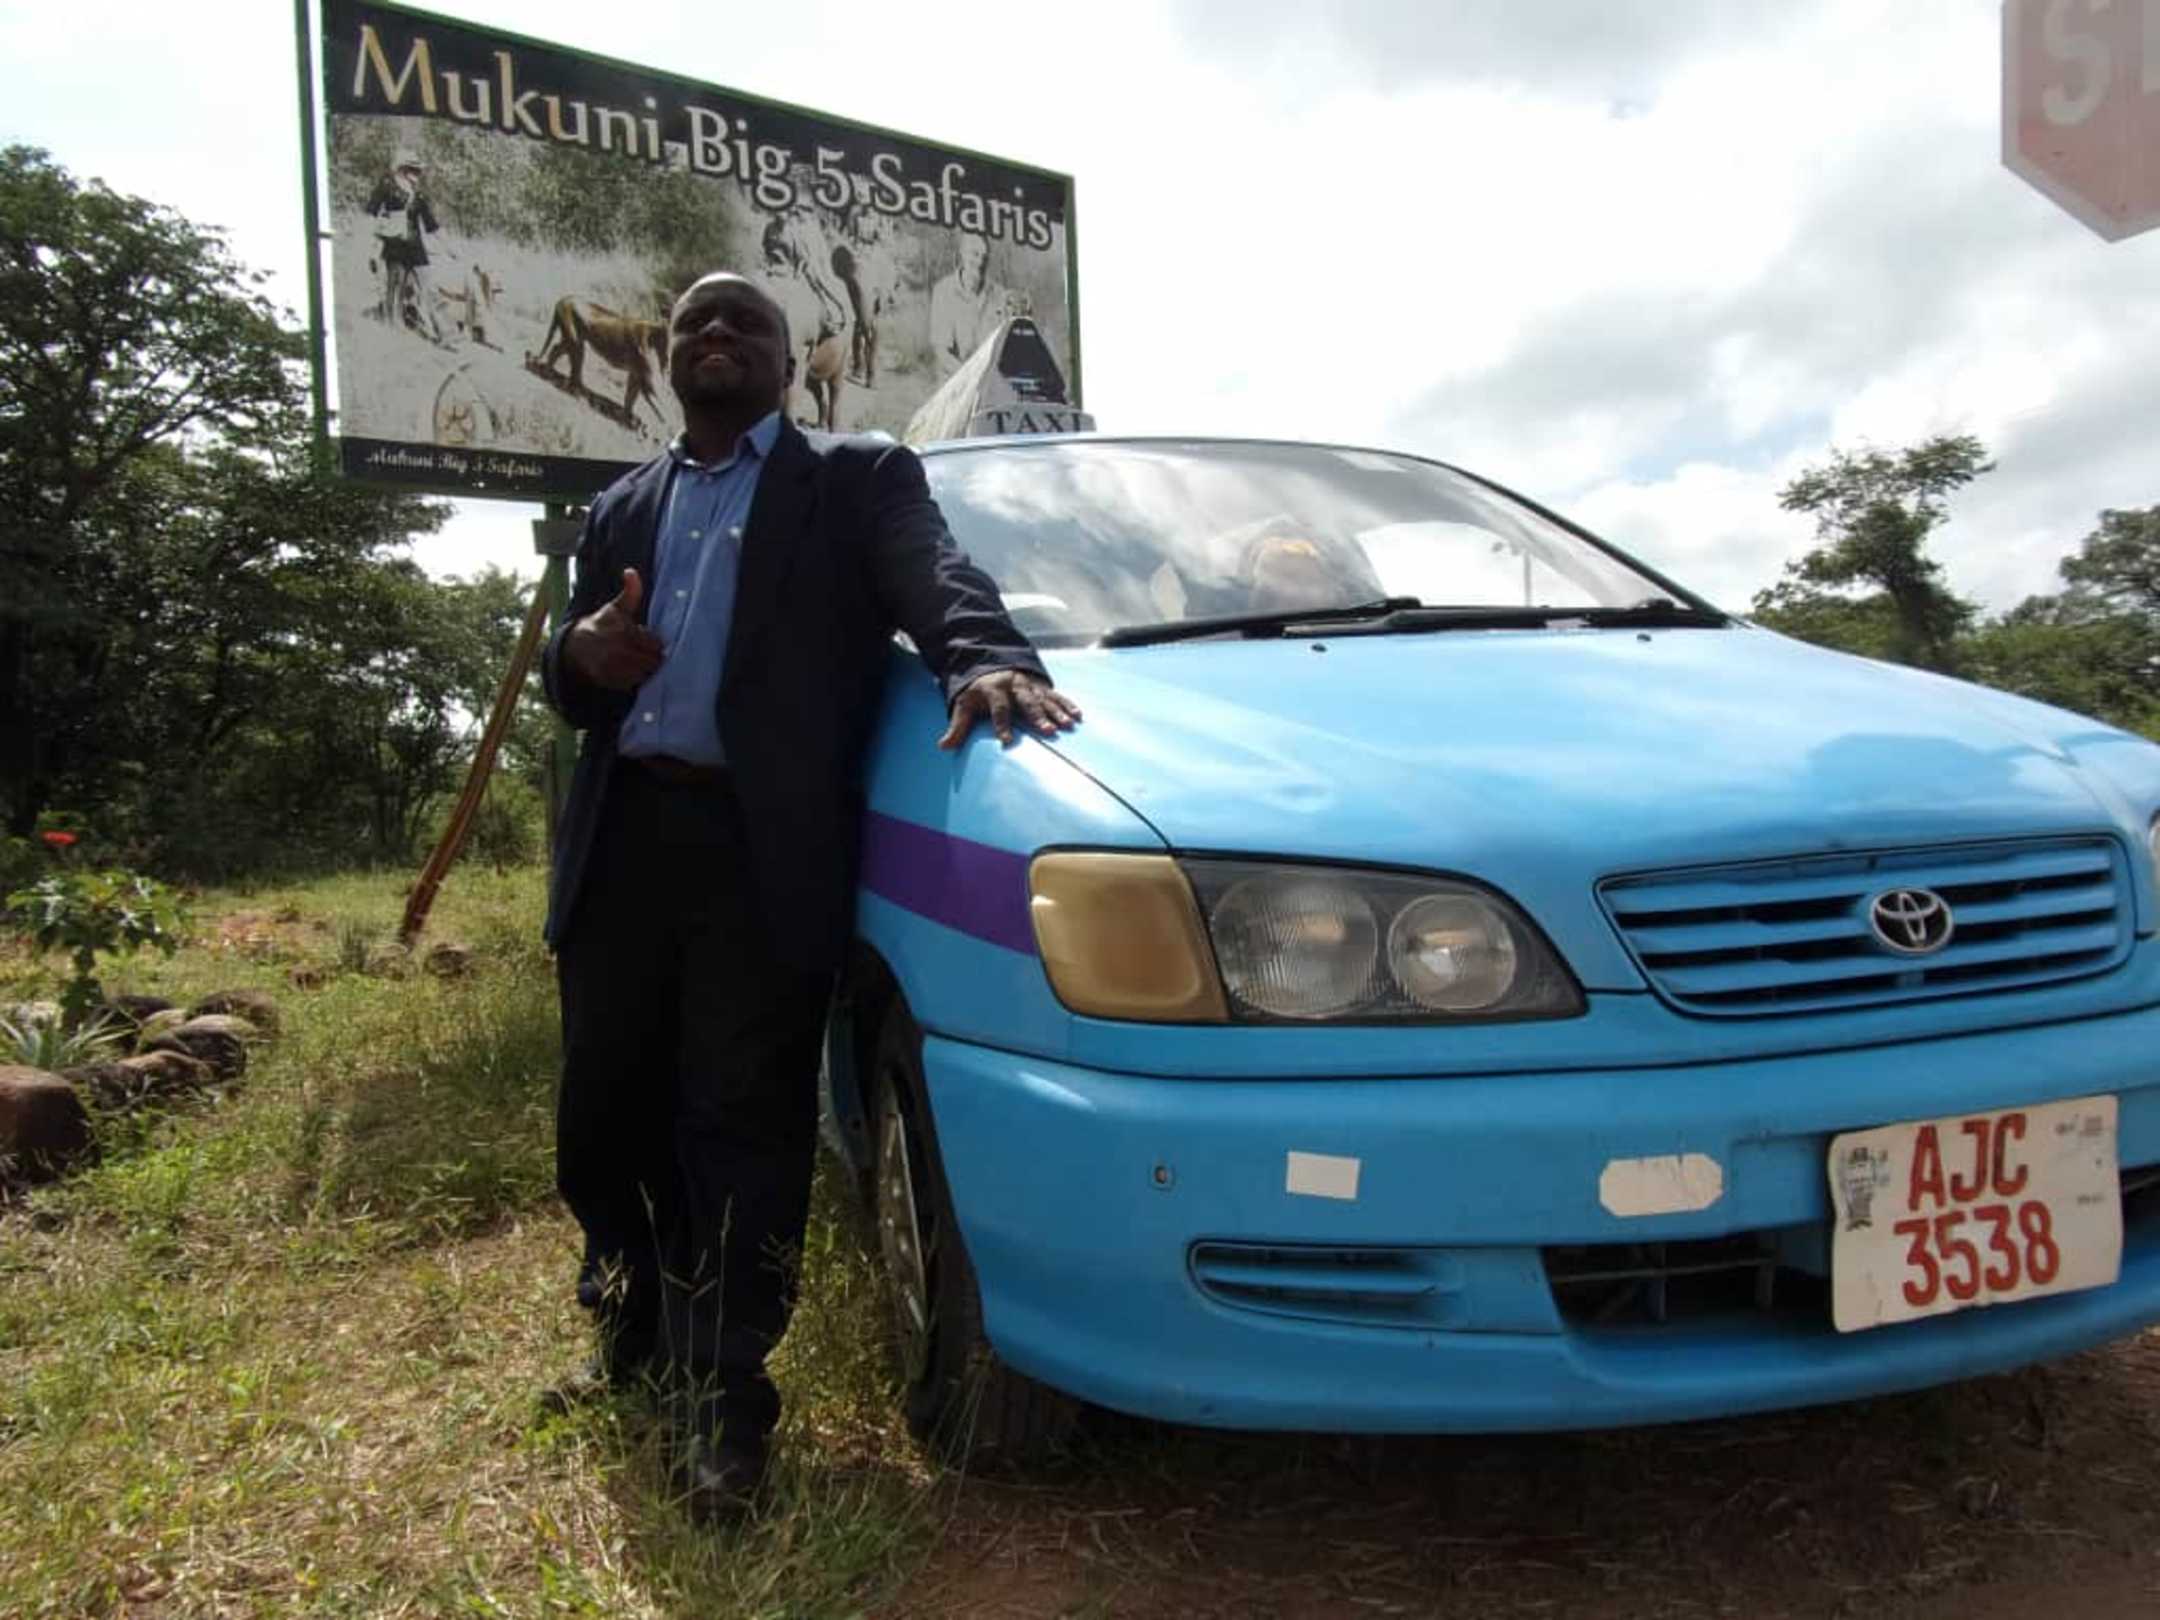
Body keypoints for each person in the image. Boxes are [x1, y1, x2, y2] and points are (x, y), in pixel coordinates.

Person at [538, 271, 1080, 1523]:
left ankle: (725, 1400)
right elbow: (576, 682)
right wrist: (579, 653)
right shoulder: (621, 505)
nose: (720, 333)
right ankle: (632, 1336)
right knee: (605, 1115)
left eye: (750, 323)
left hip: (758, 850)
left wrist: (985, 656)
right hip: (622, 848)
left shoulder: (852, 478)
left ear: (790, 364)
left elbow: (932, 573)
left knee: (738, 1121)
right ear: (670, 356)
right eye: (698, 322)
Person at [364, 151, 447, 344]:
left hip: (415, 245)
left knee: (424, 284)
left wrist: (449, 247)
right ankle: (392, 320)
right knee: (395, 282)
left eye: (418, 171)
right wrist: (371, 246)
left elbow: (431, 224)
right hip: (395, 242)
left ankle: (433, 325)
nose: (417, 174)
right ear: (402, 169)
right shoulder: (387, 187)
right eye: (413, 170)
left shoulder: (418, 195)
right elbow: (371, 213)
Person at [928, 231, 1013, 378]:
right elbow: (942, 352)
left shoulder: (999, 294)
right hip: (955, 380)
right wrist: (969, 377)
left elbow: (1004, 346)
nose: (980, 262)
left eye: (984, 257)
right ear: (962, 254)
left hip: (989, 380)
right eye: (975, 254)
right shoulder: (943, 291)